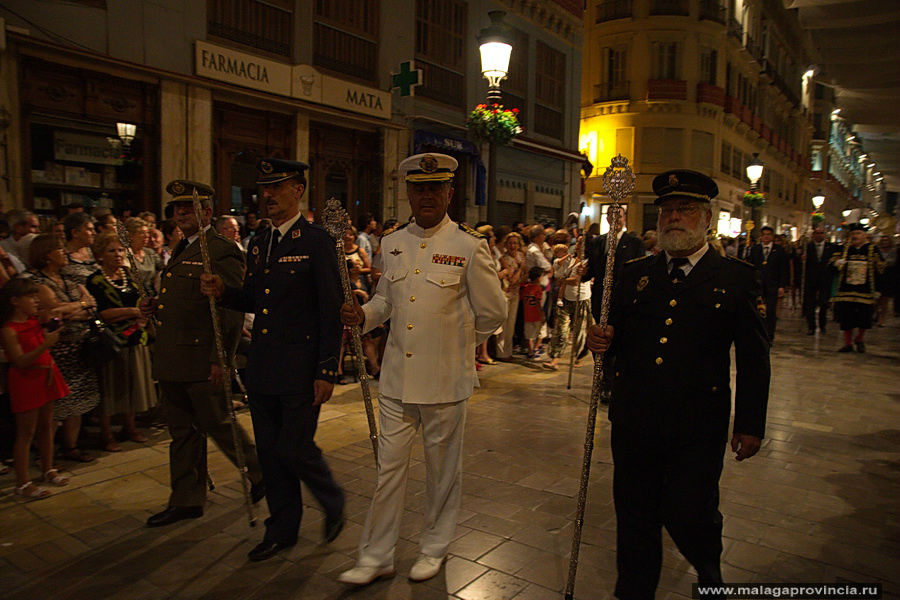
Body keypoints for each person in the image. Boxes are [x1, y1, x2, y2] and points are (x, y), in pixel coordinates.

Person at [587, 169, 770, 599]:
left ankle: (708, 569)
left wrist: (750, 423)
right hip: (635, 417)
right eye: (666, 209)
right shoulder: (634, 273)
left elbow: (753, 358)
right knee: (635, 514)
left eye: (684, 209)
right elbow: (616, 339)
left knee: (691, 511)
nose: (672, 217)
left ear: (706, 217)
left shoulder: (736, 278)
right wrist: (603, 340)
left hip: (697, 423)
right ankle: (633, 590)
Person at [337, 153, 506, 586]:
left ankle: (434, 548)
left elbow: (493, 313)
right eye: (419, 188)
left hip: (446, 382)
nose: (426, 195)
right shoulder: (393, 241)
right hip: (396, 379)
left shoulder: (469, 245)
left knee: (442, 472)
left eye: (435, 188)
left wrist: (455, 345)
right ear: (408, 192)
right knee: (387, 470)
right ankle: (376, 556)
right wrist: (364, 316)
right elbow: (384, 303)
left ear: (449, 193)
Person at [200, 158, 345, 562]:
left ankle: (332, 499)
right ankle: (282, 529)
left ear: (297, 190)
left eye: (276, 188)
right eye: (264, 189)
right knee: (269, 452)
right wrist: (224, 292)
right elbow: (255, 298)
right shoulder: (260, 242)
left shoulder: (316, 241)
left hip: (301, 369)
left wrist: (327, 369)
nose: (267, 196)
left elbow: (330, 309)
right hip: (265, 366)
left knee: (294, 448)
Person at [141, 181, 264, 527]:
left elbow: (228, 308)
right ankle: (186, 499)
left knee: (218, 422)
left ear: (207, 213)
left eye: (189, 208)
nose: (181, 215)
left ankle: (261, 472)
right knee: (182, 432)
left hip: (200, 356)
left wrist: (219, 358)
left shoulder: (220, 249)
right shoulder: (183, 247)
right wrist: (154, 305)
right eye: (177, 210)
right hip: (173, 356)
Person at [26, 234, 99, 463]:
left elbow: (92, 305)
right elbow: (52, 312)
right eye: (59, 249)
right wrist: (80, 306)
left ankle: (72, 446)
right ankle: (46, 451)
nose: (65, 253)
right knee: (56, 404)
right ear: (47, 254)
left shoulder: (67, 279)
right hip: (57, 351)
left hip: (79, 347)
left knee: (77, 400)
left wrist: (75, 308)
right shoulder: (37, 282)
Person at [85, 232, 157, 452]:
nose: (117, 255)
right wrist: (132, 311)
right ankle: (106, 435)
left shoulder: (129, 274)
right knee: (110, 388)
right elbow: (99, 313)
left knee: (132, 385)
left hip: (136, 336)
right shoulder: (95, 280)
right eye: (111, 251)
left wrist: (143, 315)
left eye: (119, 250)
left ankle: (130, 427)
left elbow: (144, 298)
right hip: (111, 341)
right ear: (99, 255)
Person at [0, 277, 70, 499]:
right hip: (26, 380)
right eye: (30, 297)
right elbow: (20, 361)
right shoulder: (9, 329)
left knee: (47, 426)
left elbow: (55, 320)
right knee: (26, 433)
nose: (35, 301)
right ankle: (23, 482)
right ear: (15, 301)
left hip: (46, 377)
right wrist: (46, 344)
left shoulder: (34, 321)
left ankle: (48, 469)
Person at [583, 205, 643, 403]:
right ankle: (604, 380)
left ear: (625, 218)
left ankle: (617, 380)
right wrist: (580, 271)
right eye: (611, 215)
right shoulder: (598, 242)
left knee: (619, 338)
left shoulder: (633, 243)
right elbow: (590, 271)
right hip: (600, 298)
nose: (615, 219)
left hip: (624, 299)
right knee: (600, 339)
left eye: (620, 215)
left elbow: (639, 272)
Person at [831, 224, 885, 353]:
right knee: (846, 317)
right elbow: (831, 264)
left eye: (858, 233)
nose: (855, 236)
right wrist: (836, 263)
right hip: (846, 290)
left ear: (865, 235)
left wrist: (878, 289)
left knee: (864, 317)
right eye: (853, 234)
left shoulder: (873, 249)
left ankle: (859, 339)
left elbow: (881, 270)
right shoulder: (844, 249)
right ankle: (848, 342)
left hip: (865, 290)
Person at [544, 241, 590, 371]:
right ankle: (555, 359)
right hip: (566, 298)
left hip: (581, 299)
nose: (579, 246)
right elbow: (557, 269)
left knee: (580, 331)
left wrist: (562, 280)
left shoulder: (588, 262)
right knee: (561, 330)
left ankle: (578, 357)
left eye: (582, 244)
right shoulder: (570, 260)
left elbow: (576, 280)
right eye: (578, 244)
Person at [747, 225, 788, 341]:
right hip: (758, 284)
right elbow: (750, 266)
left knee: (770, 310)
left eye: (768, 235)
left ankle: (769, 334)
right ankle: (756, 332)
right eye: (764, 235)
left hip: (772, 284)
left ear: (772, 236)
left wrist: (782, 286)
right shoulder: (755, 249)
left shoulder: (779, 250)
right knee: (757, 309)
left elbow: (783, 269)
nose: (766, 237)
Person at [495, 232, 525, 360]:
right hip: (505, 293)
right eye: (510, 243)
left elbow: (524, 275)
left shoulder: (521, 256)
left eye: (515, 243)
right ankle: (501, 353)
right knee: (504, 323)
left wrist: (522, 271)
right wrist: (519, 268)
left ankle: (509, 351)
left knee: (511, 324)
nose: (513, 246)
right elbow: (512, 279)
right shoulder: (503, 258)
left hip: (516, 292)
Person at [802, 226, 837, 335]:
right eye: (817, 233)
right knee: (810, 304)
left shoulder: (831, 247)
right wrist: (802, 259)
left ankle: (822, 325)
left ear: (825, 235)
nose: (819, 235)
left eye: (821, 233)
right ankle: (811, 326)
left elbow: (833, 263)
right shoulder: (807, 247)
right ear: (813, 235)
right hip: (811, 279)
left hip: (825, 279)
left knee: (823, 304)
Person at [125, 217, 162, 295]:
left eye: (147, 232)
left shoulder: (150, 252)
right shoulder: (125, 255)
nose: (147, 236)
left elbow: (163, 269)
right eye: (142, 232)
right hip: (134, 294)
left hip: (154, 293)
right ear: (131, 235)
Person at [61, 212, 97, 286]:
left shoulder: (94, 250)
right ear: (75, 233)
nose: (94, 233)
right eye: (89, 230)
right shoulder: (62, 256)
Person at [520, 266, 545, 359]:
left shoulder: (525, 287)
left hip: (527, 315)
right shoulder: (538, 288)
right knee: (541, 332)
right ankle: (536, 348)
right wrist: (542, 314)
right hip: (537, 315)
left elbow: (522, 298)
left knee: (529, 335)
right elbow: (538, 302)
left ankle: (530, 352)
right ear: (539, 277)